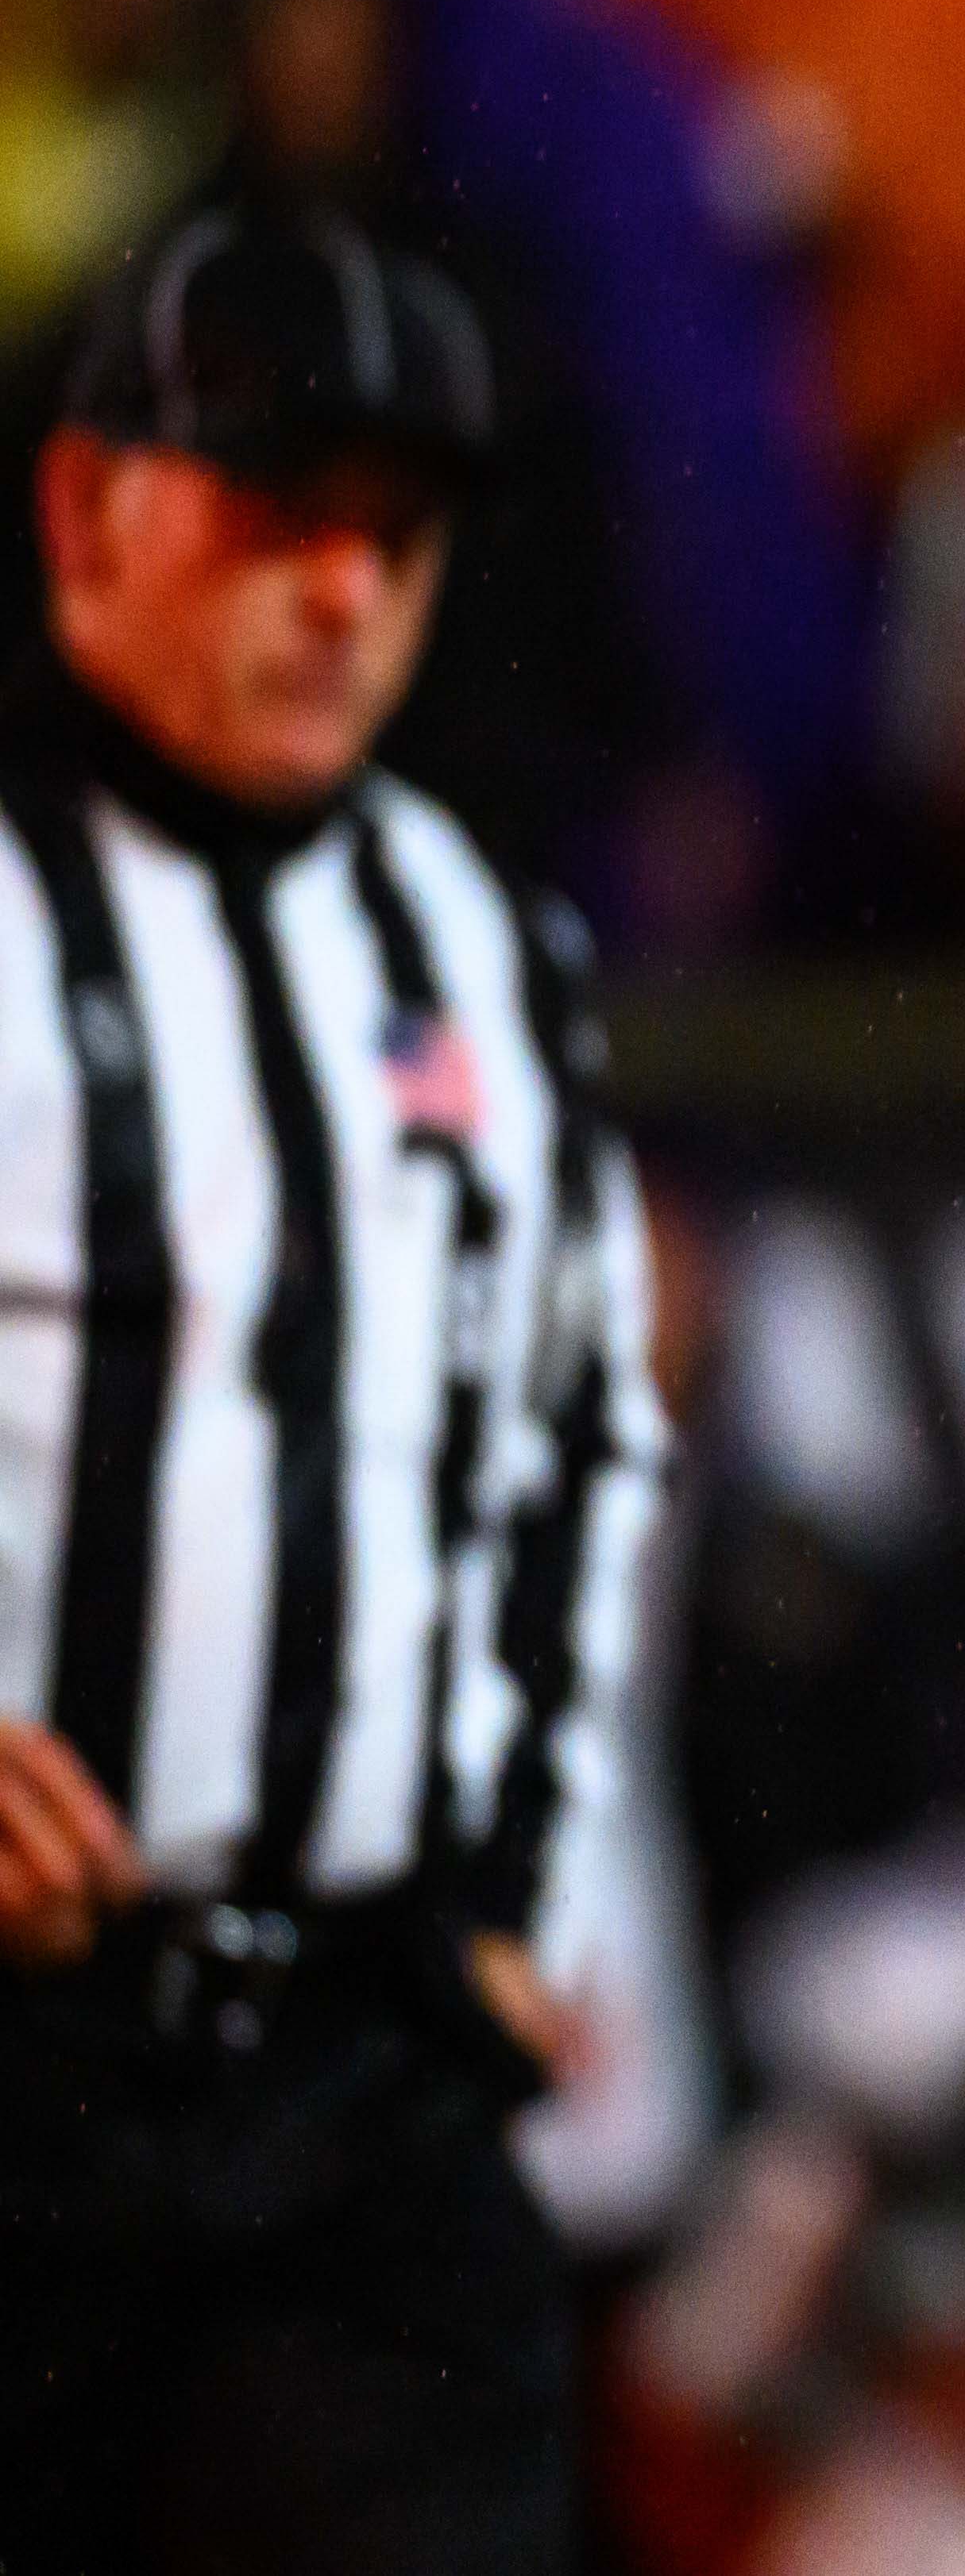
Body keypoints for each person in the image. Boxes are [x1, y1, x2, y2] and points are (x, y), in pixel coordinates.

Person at [0, 198, 670, 2574]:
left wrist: (522, 1869)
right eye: (278, 516)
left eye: (394, 541)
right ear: (87, 503)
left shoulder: (473, 935)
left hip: (365, 2077)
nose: (343, 596)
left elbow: (581, 1431)